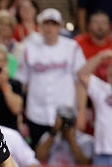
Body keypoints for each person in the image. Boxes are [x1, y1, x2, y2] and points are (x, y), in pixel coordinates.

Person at [16, 8, 85, 148]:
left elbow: (81, 82)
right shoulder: (29, 48)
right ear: (40, 26)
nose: (49, 28)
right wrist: (19, 115)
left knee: (65, 159)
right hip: (36, 114)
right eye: (46, 24)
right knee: (38, 157)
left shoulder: (72, 47)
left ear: (59, 26)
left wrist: (82, 112)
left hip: (66, 112)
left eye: (53, 24)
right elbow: (22, 84)